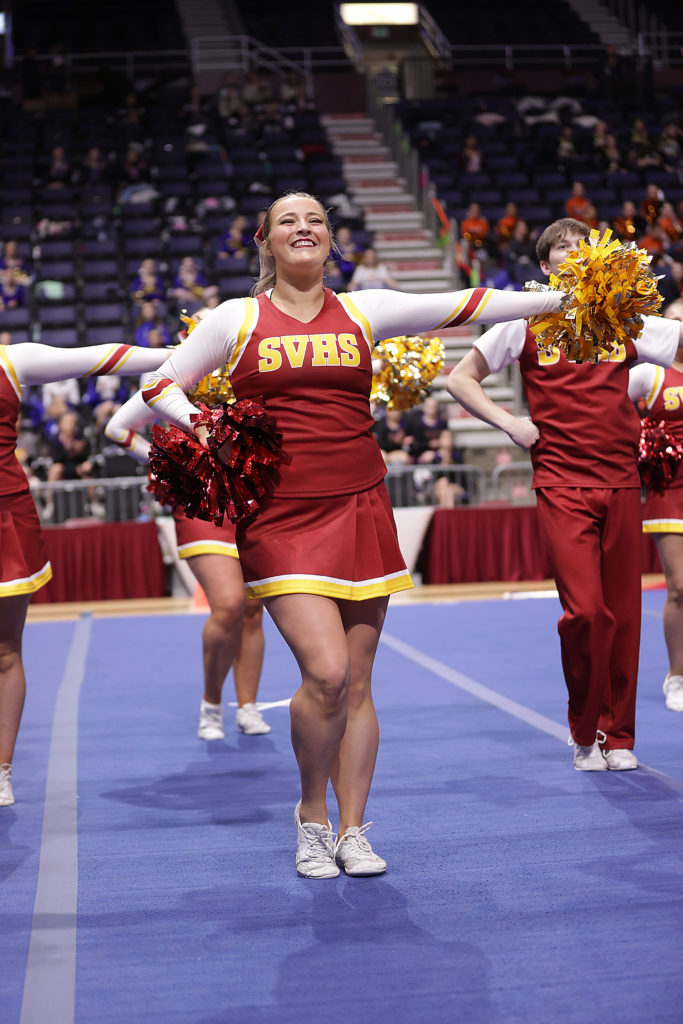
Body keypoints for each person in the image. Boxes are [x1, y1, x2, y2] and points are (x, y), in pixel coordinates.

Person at [139, 190, 566, 877]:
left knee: (358, 684)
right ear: (265, 240)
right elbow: (160, 383)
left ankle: (353, 830)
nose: (303, 228)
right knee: (327, 673)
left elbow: (468, 304)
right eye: (288, 221)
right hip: (280, 518)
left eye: (315, 219)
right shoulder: (236, 317)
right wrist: (207, 427)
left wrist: (559, 299)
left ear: (330, 239)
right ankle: (312, 817)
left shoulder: (365, 309)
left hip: (362, 508)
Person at [446, 217, 682, 773]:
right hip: (560, 482)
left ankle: (618, 736)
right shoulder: (525, 319)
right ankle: (584, 730)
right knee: (586, 613)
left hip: (622, 481)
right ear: (545, 265)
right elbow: (460, 378)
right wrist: (511, 423)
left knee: (624, 616)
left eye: (581, 245)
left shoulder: (624, 316)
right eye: (561, 247)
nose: (573, 252)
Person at [0, 341, 173, 807]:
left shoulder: (9, 361)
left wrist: (194, 348)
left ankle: (1, 769)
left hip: (5, 520)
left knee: (4, 651)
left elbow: (103, 358)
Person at [105, 381, 269, 739]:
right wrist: (164, 463)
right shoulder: (176, 373)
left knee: (252, 609)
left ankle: (248, 706)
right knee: (229, 604)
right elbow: (117, 429)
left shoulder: (243, 362)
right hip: (200, 505)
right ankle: (212, 704)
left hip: (247, 498)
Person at [628, 298, 683, 712]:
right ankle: (676, 676)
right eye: (675, 320)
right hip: (671, 490)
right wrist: (643, 437)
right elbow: (604, 406)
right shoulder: (650, 373)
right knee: (679, 587)